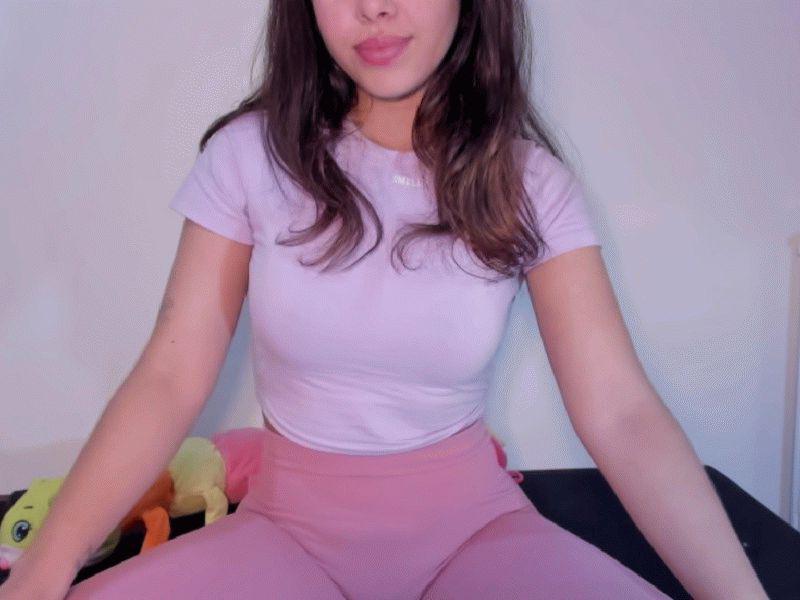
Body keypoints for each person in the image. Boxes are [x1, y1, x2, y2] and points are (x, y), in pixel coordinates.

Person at [1, 1, 768, 599]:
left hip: (475, 534)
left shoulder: (530, 185)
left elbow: (622, 413)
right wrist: (45, 569)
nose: (373, 7)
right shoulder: (248, 158)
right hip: (285, 533)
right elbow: (170, 376)